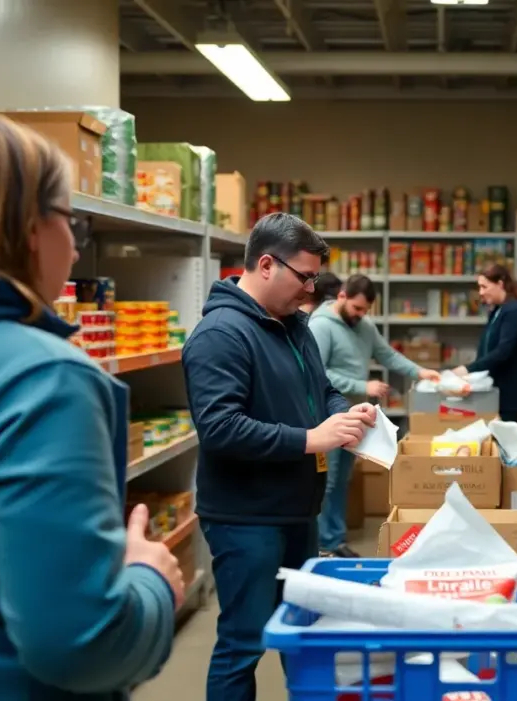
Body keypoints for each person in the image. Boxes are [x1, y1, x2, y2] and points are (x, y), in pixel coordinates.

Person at [0, 104, 180, 698]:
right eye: (71, 224)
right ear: (27, 227)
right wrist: (151, 581)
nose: (76, 252)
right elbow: (79, 645)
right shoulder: (38, 380)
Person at [181, 212, 376, 701]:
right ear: (266, 264)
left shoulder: (295, 326)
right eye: (304, 277)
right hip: (245, 518)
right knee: (243, 644)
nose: (311, 290)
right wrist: (312, 439)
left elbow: (323, 390)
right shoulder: (220, 335)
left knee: (304, 637)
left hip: (295, 511)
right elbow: (220, 429)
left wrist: (347, 417)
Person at [309, 273, 441, 557]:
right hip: (327, 415)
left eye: (366, 310)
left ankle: (335, 540)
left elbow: (388, 355)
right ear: (342, 296)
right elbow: (317, 371)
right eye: (357, 309)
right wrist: (362, 386)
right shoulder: (321, 326)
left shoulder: (364, 325)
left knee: (343, 478)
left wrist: (420, 371)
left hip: (355, 415)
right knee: (327, 482)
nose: (361, 315)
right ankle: (322, 544)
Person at [454, 263, 517, 423]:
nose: (481, 293)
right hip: (496, 391)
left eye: (484, 287)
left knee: (503, 441)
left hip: (510, 395)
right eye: (479, 287)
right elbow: (487, 348)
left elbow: (503, 351)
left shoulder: (515, 311)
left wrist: (467, 369)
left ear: (500, 283)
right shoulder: (499, 310)